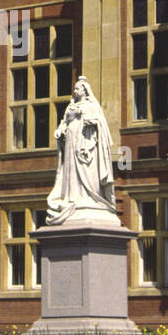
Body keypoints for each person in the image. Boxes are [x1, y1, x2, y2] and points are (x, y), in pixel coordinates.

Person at [45, 76, 118, 225]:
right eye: (75, 88)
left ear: (84, 91)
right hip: (71, 141)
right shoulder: (71, 106)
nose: (75, 91)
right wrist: (60, 131)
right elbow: (64, 122)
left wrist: (90, 121)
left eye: (77, 88)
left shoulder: (91, 105)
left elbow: (100, 123)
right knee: (71, 170)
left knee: (87, 171)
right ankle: (74, 196)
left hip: (86, 143)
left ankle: (89, 196)